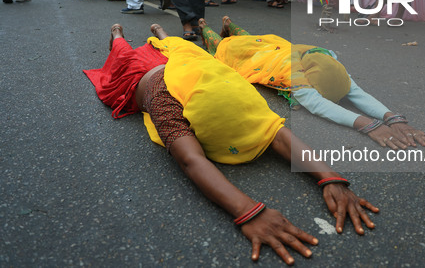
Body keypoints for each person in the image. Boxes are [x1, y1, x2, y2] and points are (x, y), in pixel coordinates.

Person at [84, 23, 379, 264]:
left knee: (179, 45)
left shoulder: (236, 88)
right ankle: (117, 34)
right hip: (147, 74)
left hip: (191, 62)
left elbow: (276, 133)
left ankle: (161, 34)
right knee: (124, 54)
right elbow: (191, 159)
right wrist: (247, 211)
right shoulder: (164, 101)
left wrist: (330, 178)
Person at [198, 16, 425, 150]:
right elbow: (317, 105)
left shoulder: (329, 60)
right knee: (224, 47)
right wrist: (369, 124)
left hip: (276, 46)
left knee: (254, 40)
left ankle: (230, 26)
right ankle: (204, 27)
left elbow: (356, 93)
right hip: (265, 59)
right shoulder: (295, 75)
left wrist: (391, 117)